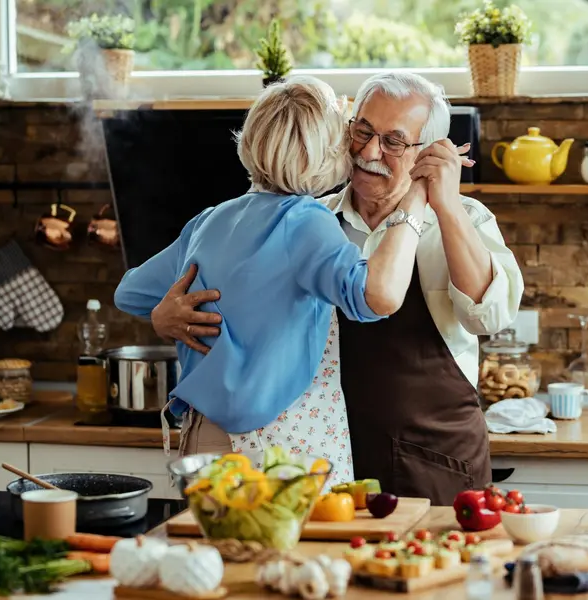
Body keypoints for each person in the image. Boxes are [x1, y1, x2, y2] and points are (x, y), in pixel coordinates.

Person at [149, 72, 524, 504]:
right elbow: (230, 301)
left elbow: (489, 316)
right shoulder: (306, 219)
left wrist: (446, 203)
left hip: (432, 461)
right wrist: (163, 316)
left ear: (426, 152)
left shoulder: (463, 218)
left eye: (393, 141)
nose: (369, 152)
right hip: (321, 457)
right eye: (362, 131)